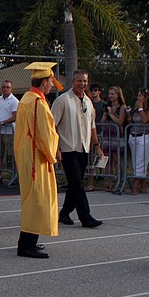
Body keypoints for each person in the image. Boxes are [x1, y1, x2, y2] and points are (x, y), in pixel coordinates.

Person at [15, 62, 61, 259]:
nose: (52, 84)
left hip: (27, 154)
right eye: (50, 81)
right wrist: (53, 153)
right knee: (36, 199)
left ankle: (29, 240)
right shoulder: (37, 103)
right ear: (44, 82)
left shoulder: (27, 98)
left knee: (33, 198)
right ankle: (26, 245)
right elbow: (44, 134)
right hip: (36, 157)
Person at [52, 70, 104, 229]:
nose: (82, 84)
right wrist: (56, 149)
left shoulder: (88, 101)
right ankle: (85, 217)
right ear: (73, 82)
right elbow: (52, 126)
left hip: (84, 148)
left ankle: (65, 212)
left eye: (85, 81)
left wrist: (97, 146)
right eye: (79, 81)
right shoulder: (62, 100)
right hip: (68, 148)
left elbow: (92, 126)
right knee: (76, 183)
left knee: (75, 184)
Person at [0, 80, 18, 185]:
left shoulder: (15, 101)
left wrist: (2, 123)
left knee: (12, 154)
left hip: (10, 131)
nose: (5, 89)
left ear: (11, 89)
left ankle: (15, 175)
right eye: (4, 87)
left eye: (8, 87)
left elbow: (15, 116)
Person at [98, 86, 127, 192]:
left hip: (117, 133)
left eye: (113, 94)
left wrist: (111, 114)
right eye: (109, 94)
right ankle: (108, 183)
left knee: (117, 159)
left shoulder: (122, 107)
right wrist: (106, 114)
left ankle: (120, 181)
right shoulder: (107, 106)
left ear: (118, 95)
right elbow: (101, 121)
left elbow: (120, 122)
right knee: (108, 159)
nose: (110, 96)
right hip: (107, 133)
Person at [128, 89, 149, 195]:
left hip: (145, 136)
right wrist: (130, 113)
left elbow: (145, 120)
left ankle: (135, 186)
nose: (138, 98)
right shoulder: (136, 109)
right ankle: (143, 185)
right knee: (136, 162)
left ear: (146, 98)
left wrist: (140, 109)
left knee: (141, 161)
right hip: (133, 135)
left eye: (140, 96)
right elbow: (130, 121)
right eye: (138, 95)